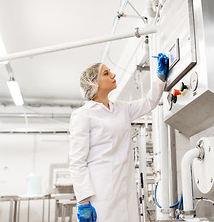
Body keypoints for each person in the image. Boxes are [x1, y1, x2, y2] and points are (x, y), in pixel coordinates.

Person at [69, 53, 169, 222]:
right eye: (106, 73)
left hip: (125, 190)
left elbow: (149, 103)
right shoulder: (83, 115)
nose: (113, 75)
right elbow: (77, 162)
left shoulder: (121, 109)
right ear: (93, 83)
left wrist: (160, 77)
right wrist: (83, 202)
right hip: (100, 194)